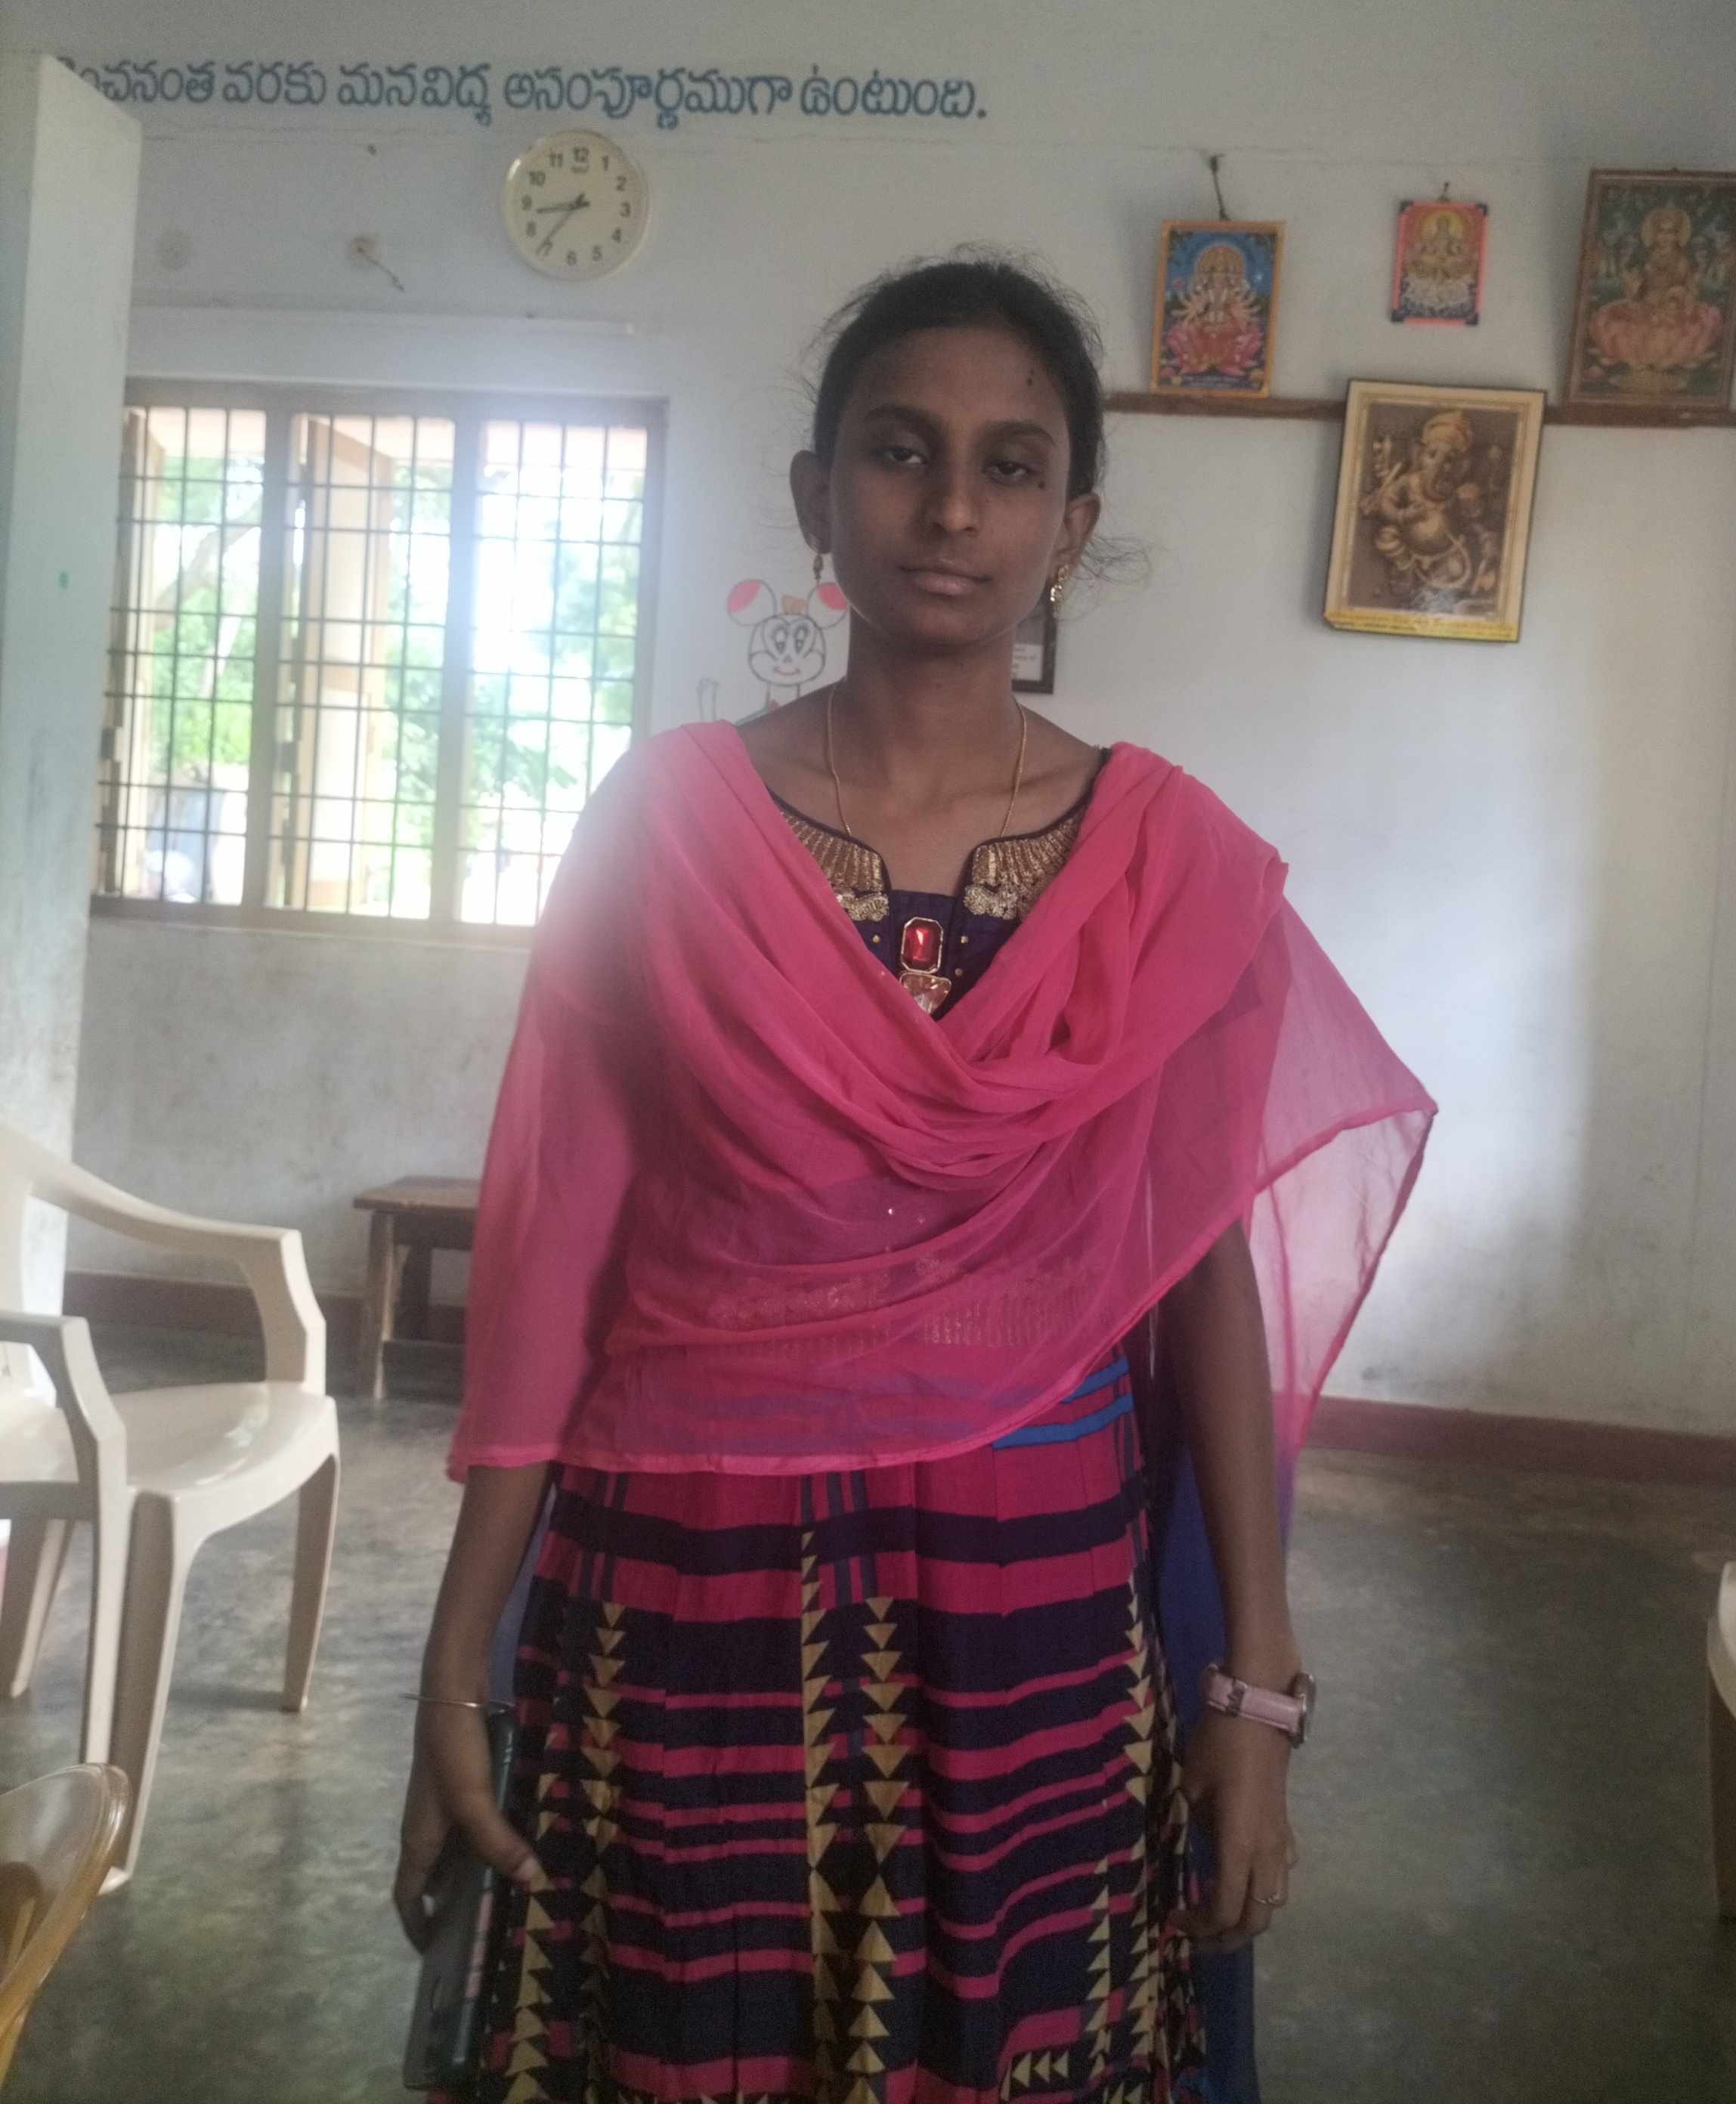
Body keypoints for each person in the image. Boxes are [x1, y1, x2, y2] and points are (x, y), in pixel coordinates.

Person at [395, 254, 1434, 2104]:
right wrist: (457, 1655)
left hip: (1028, 1592)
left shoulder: (1166, 863)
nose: (952, 509)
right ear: (818, 496)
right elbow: (556, 1253)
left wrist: (1255, 1686)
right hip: (683, 1581)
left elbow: (1204, 1271)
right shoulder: (666, 830)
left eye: (1010, 466)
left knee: (998, 2044)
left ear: (1071, 527)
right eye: (899, 451)